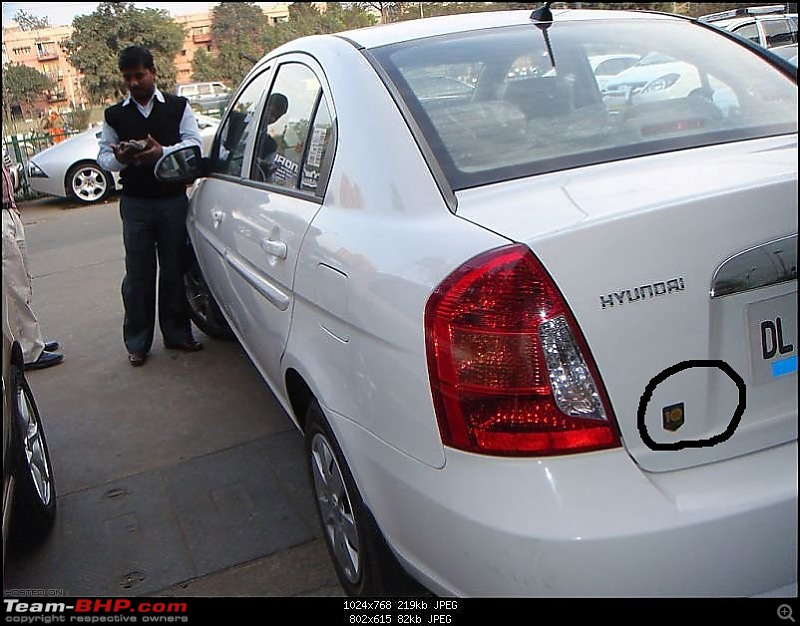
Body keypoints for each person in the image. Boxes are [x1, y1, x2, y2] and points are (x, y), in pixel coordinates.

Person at [98, 46, 204, 367]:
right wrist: (119, 157)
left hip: (172, 200)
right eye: (127, 78)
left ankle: (177, 333)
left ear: (153, 73)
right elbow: (103, 157)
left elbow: (194, 144)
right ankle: (138, 342)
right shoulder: (114, 115)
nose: (132, 83)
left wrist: (162, 152)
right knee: (138, 275)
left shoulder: (177, 106)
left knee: (174, 269)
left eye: (138, 76)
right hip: (135, 205)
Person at [2, 159, 63, 370]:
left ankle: (30, 341)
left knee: (22, 280)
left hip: (8, 211)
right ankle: (27, 350)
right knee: (13, 286)